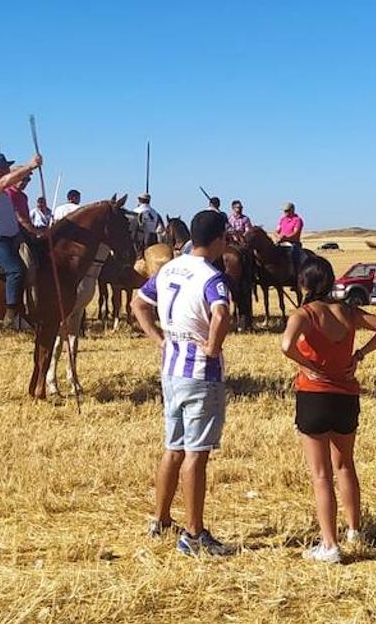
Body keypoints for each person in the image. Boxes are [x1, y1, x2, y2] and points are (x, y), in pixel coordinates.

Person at [130, 210, 236, 557]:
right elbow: (221, 314)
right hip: (200, 372)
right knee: (196, 454)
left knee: (172, 447)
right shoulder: (213, 276)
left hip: (170, 369)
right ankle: (193, 532)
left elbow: (138, 303)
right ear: (219, 239)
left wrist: (158, 339)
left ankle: (160, 519)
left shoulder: (169, 268)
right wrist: (213, 345)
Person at [280, 256, 376, 564]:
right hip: (346, 395)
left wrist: (309, 367)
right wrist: (359, 354)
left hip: (314, 395)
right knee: (345, 464)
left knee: (321, 475)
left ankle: (329, 545)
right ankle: (355, 529)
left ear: (304, 283)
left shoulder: (304, 313)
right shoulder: (348, 311)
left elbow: (286, 345)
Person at [0, 151, 43, 329]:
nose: (8, 169)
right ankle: (12, 312)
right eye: (6, 167)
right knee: (16, 270)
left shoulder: (1, 190)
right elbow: (4, 182)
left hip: (9, 237)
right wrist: (29, 166)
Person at [276, 202, 306, 273]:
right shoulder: (282, 219)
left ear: (292, 210)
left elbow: (295, 233)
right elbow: (277, 230)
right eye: (284, 211)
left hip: (293, 243)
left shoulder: (297, 220)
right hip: (281, 242)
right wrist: (279, 237)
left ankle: (295, 272)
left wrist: (285, 238)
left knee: (293, 254)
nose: (285, 213)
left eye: (287, 211)